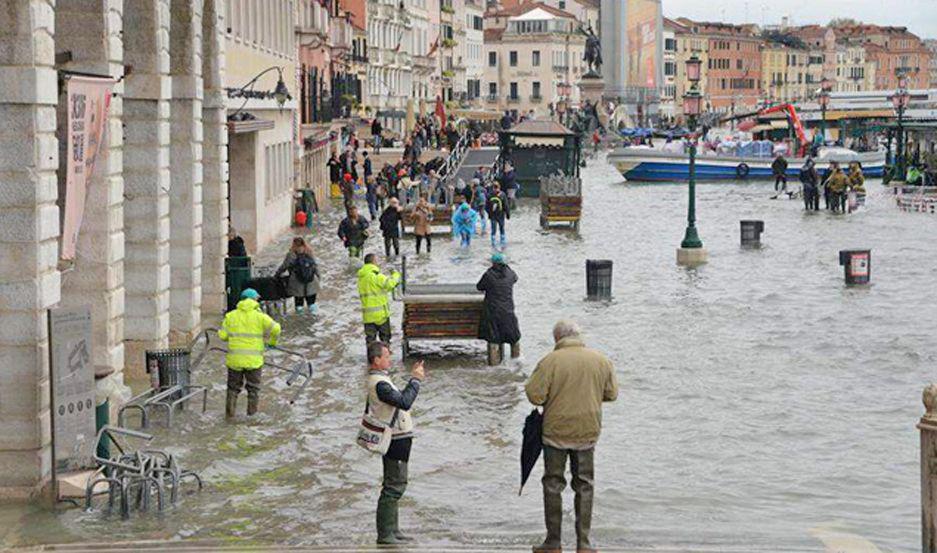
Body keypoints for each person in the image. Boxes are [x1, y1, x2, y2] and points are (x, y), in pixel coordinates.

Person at [525, 321, 618, 553]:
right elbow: (612, 394)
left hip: (555, 431)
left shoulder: (550, 361)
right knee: (585, 484)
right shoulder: (601, 360)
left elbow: (534, 395)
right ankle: (584, 543)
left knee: (553, 483)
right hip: (587, 430)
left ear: (557, 338)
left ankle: (553, 543)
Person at [365, 341, 425, 544]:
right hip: (394, 440)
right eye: (386, 356)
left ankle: (393, 530)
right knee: (394, 486)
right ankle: (385, 534)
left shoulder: (381, 379)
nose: (390, 359)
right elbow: (405, 401)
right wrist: (415, 380)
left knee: (395, 484)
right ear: (376, 360)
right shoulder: (380, 383)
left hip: (398, 439)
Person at [219, 288, 282, 419]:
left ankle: (229, 416)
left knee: (232, 389)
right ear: (254, 300)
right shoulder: (260, 317)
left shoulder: (231, 316)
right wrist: (272, 343)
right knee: (253, 389)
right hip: (254, 361)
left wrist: (224, 333)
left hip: (235, 360)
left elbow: (223, 336)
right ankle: (251, 417)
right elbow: (277, 329)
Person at [476, 253, 521, 352]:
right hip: (508, 311)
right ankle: (515, 363)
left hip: (493, 313)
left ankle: (494, 365)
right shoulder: (510, 274)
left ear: (493, 263)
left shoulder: (489, 274)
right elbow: (515, 278)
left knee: (494, 338)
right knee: (513, 337)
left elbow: (479, 287)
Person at [357, 253, 401, 345]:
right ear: (373, 262)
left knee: (370, 341)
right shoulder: (376, 276)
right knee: (385, 340)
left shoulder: (361, 278)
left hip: (367, 316)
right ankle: (385, 358)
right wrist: (396, 274)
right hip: (381, 315)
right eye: (377, 261)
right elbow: (390, 284)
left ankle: (372, 358)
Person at [275, 237, 320, 315]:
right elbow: (315, 266)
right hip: (311, 281)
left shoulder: (291, 254)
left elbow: (284, 266)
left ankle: (300, 321)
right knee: (312, 304)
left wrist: (277, 274)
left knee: (299, 305)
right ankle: (313, 320)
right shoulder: (309, 251)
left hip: (297, 282)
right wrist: (318, 277)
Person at [486, 182, 510, 249]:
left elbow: (486, 206)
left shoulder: (489, 195)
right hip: (500, 214)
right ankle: (502, 241)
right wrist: (508, 214)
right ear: (499, 187)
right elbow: (506, 205)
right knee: (501, 228)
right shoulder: (503, 195)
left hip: (493, 215)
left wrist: (489, 214)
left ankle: (493, 243)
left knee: (493, 229)